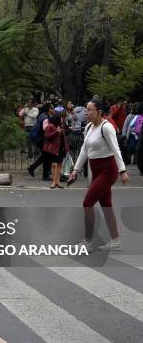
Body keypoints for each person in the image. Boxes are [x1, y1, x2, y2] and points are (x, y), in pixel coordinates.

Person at [69, 98, 129, 251]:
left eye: (89, 110)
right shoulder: (89, 127)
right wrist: (75, 170)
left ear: (99, 112)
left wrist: (122, 171)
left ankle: (87, 241)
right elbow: (84, 150)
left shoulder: (107, 127)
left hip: (108, 171)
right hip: (95, 171)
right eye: (86, 109)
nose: (86, 113)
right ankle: (116, 242)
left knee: (87, 203)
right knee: (106, 206)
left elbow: (116, 150)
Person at [27, 103, 54, 180]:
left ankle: (32, 168)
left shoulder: (43, 115)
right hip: (40, 139)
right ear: (48, 109)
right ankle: (45, 175)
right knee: (46, 156)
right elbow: (45, 129)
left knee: (45, 155)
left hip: (38, 138)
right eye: (52, 108)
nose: (53, 109)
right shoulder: (45, 117)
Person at [44, 113, 69, 189]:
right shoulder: (50, 126)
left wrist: (66, 147)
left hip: (61, 148)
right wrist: (56, 132)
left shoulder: (61, 126)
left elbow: (64, 137)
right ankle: (53, 182)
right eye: (60, 118)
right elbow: (47, 136)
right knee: (54, 164)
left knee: (59, 165)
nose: (62, 119)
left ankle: (58, 182)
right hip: (53, 148)